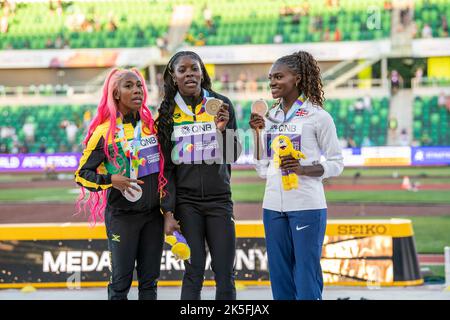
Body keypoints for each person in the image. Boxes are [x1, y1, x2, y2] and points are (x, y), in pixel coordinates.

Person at [249, 51, 344, 300]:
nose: (272, 82)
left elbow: (336, 163)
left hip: (306, 205)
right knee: (279, 276)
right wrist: (257, 134)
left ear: (298, 79)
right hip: (272, 206)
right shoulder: (270, 117)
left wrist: (304, 169)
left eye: (279, 77)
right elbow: (261, 168)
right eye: (270, 78)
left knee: (305, 274)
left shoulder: (318, 116)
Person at [74, 68, 167, 300]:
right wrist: (110, 181)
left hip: (153, 216)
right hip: (122, 217)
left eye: (139, 86)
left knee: (149, 284)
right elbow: (81, 174)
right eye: (129, 86)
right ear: (115, 93)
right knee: (120, 284)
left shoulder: (151, 127)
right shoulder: (103, 132)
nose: (137, 90)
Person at [155, 51, 241, 300]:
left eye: (195, 68)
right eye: (183, 70)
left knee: (225, 272)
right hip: (186, 204)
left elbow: (233, 154)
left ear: (202, 72)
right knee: (194, 271)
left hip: (219, 201)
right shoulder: (168, 113)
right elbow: (166, 170)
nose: (190, 73)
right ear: (173, 77)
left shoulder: (221, 104)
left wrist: (224, 131)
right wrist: (168, 212)